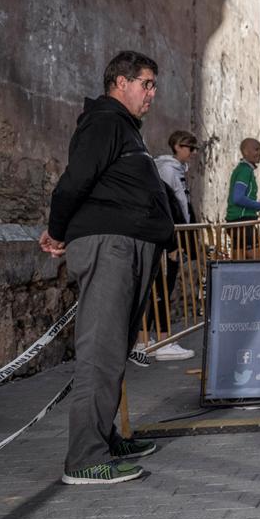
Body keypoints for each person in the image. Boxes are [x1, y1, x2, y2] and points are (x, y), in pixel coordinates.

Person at [40, 50, 175, 485]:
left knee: (115, 349)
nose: (152, 93)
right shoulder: (104, 122)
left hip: (130, 246)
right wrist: (57, 231)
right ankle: (84, 458)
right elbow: (73, 182)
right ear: (121, 82)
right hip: (110, 247)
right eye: (146, 83)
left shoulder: (125, 129)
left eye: (154, 84)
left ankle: (105, 437)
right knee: (100, 353)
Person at [133, 130, 200, 363]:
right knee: (161, 288)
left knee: (158, 289)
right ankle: (162, 340)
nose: (192, 153)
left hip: (168, 235)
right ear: (178, 146)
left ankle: (146, 340)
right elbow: (169, 207)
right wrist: (172, 242)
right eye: (190, 148)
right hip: (166, 237)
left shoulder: (171, 170)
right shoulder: (167, 170)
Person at [226, 137, 260, 257]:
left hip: (234, 222)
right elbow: (237, 198)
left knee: (238, 267)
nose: (259, 152)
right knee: (257, 265)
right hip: (243, 223)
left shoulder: (242, 169)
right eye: (256, 149)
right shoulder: (245, 171)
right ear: (245, 152)